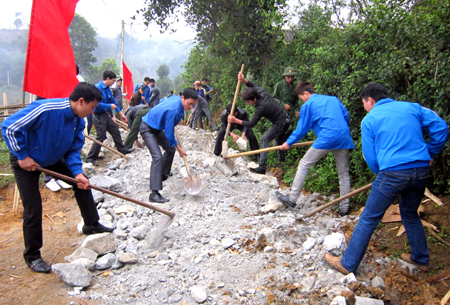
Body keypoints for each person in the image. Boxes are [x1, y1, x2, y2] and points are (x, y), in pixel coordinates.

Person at [325, 83, 448, 275]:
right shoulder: (412, 107)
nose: (364, 107)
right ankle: (421, 259)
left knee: (368, 219)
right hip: (421, 170)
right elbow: (441, 127)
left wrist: (381, 175)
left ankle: (347, 264)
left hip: (392, 173)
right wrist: (430, 152)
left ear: (370, 100)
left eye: (363, 103)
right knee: (410, 213)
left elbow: (371, 158)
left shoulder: (369, 119)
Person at [1, 82, 114, 273]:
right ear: (81, 101)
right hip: (26, 161)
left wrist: (77, 172)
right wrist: (22, 156)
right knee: (33, 207)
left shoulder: (78, 121)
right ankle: (33, 256)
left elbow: (72, 150)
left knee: (82, 183)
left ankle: (91, 223)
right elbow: (9, 127)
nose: (93, 111)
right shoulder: (47, 109)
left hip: (51, 158)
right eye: (92, 107)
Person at [277, 81, 354, 215]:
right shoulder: (333, 99)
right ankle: (344, 208)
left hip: (327, 137)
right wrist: (338, 132)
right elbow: (346, 117)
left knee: (304, 164)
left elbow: (302, 129)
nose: (302, 101)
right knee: (343, 174)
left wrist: (288, 142)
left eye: (301, 98)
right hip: (344, 136)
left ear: (306, 94)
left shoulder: (308, 105)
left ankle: (292, 198)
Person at [140, 88, 198, 203]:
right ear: (183, 98)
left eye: (193, 104)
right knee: (157, 157)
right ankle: (154, 193)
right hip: (147, 128)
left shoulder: (176, 98)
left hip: (156, 127)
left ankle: (162, 175)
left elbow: (162, 101)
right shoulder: (174, 111)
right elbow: (168, 133)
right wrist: (179, 148)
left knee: (170, 150)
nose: (190, 106)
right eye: (189, 103)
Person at [228, 72, 290, 175]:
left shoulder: (261, 107)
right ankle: (281, 163)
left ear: (254, 99)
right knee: (279, 140)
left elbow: (251, 124)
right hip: (284, 118)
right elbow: (252, 85)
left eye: (248, 102)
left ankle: (262, 167)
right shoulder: (261, 92)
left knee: (264, 139)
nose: (248, 104)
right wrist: (243, 80)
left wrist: (235, 120)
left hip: (281, 123)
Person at [85, 71, 133, 166]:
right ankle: (90, 157)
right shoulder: (97, 88)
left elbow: (113, 101)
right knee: (101, 136)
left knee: (115, 130)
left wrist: (120, 114)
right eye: (113, 80)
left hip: (106, 114)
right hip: (98, 115)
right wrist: (109, 106)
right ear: (107, 79)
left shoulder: (108, 89)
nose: (114, 83)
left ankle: (122, 149)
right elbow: (97, 105)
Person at [273, 66, 300, 162]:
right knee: (283, 129)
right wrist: (283, 104)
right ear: (285, 77)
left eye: (292, 77)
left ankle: (282, 142)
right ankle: (280, 153)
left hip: (291, 112)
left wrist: (297, 110)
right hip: (281, 112)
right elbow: (274, 98)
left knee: (291, 129)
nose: (290, 79)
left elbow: (296, 100)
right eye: (288, 77)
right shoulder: (279, 85)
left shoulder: (295, 87)